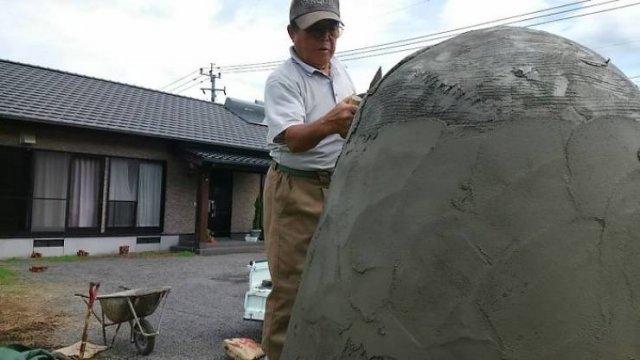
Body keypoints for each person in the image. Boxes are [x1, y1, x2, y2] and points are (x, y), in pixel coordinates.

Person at [261, 0, 358, 358]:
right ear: (292, 33)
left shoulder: (342, 72)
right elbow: (294, 140)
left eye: (332, 31)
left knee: (333, 278)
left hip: (337, 185)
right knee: (291, 288)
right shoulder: (283, 80)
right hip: (294, 188)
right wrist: (332, 122)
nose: (326, 40)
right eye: (316, 31)